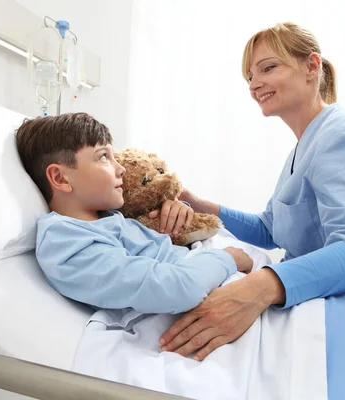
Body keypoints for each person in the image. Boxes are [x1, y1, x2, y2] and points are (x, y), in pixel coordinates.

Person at [157, 22, 345, 361]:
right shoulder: (305, 146)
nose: (254, 84)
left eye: (268, 68)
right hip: (310, 297)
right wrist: (202, 205)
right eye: (249, 76)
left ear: (311, 66)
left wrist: (258, 287)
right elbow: (271, 229)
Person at [14, 112, 260, 315]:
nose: (120, 168)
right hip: (223, 276)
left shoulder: (110, 214)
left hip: (231, 273)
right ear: (60, 178)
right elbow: (175, 288)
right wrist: (229, 259)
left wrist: (178, 210)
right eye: (103, 157)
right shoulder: (65, 242)